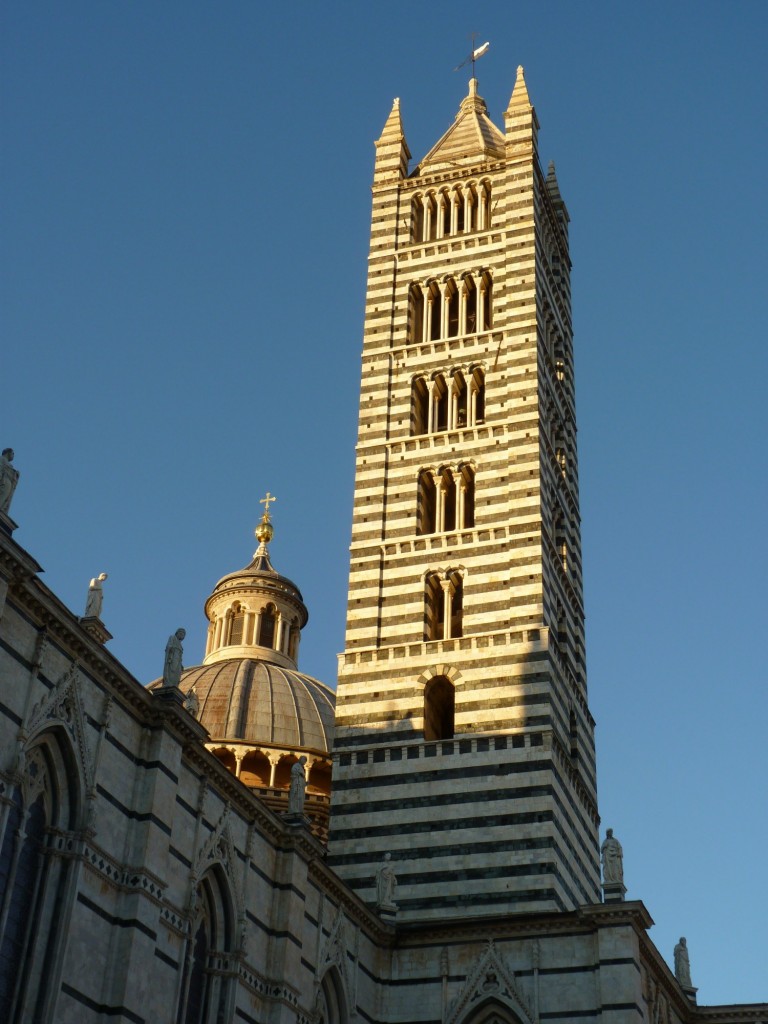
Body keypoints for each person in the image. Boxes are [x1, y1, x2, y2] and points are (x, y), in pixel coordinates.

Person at [0, 448, 19, 514]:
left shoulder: (9, 464)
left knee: (4, 500)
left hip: (7, 484)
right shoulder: (2, 459)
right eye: (13, 453)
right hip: (3, 482)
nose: (13, 455)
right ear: (8, 452)